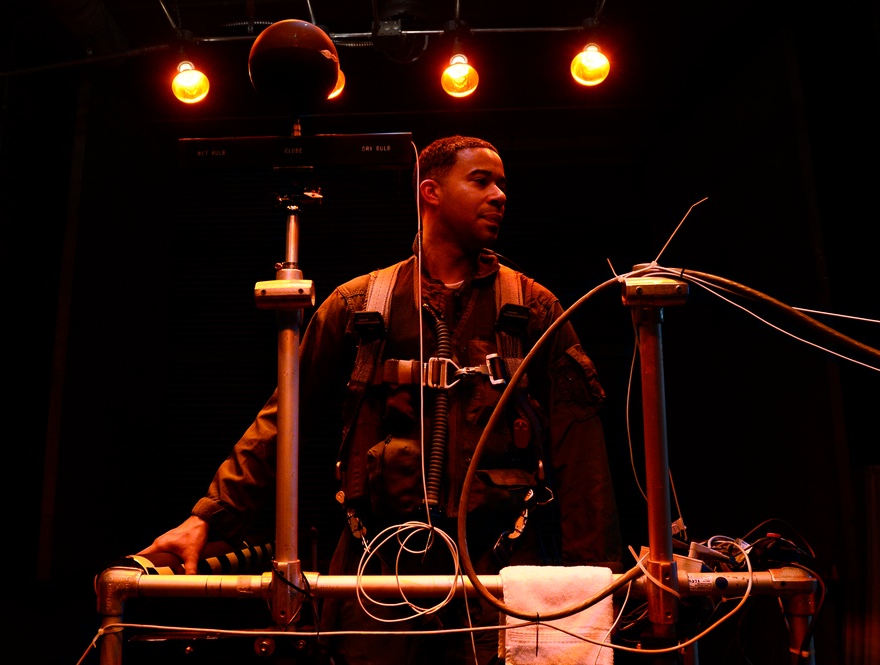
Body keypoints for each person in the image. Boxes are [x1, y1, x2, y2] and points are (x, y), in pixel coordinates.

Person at [138, 135, 622, 664]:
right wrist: (208, 515)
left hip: (498, 576)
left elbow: (582, 451)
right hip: (374, 579)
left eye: (503, 183)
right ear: (430, 192)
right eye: (481, 180)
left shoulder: (531, 307)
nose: (500, 195)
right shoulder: (360, 305)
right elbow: (283, 420)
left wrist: (594, 581)